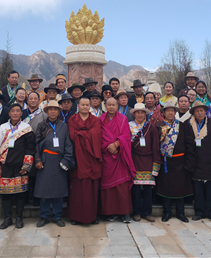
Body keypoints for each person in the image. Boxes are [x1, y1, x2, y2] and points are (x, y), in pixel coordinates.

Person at [0, 103, 36, 229]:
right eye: (13, 111)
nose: (16, 113)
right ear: (9, 113)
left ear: (21, 113)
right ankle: (7, 219)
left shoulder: (26, 128)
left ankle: (19, 218)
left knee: (20, 193)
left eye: (18, 111)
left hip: (20, 167)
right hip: (5, 165)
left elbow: (30, 148)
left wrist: (26, 165)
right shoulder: (3, 127)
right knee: (6, 194)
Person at [34, 101, 75, 228]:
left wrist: (66, 160)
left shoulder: (64, 125)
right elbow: (35, 144)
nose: (52, 111)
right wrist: (37, 159)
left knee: (58, 189)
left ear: (59, 111)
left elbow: (68, 145)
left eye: (55, 109)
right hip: (45, 160)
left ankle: (57, 216)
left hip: (59, 161)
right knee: (44, 190)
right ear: (46, 111)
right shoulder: (42, 125)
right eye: (50, 109)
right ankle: (44, 216)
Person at [155, 102, 196, 223]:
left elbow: (189, 144)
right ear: (163, 113)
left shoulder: (182, 126)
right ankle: (166, 212)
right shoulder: (159, 125)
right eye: (168, 111)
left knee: (180, 187)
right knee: (166, 187)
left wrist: (189, 161)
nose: (170, 113)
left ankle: (180, 212)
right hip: (165, 161)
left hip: (180, 161)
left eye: (172, 111)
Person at [99, 98, 136, 223]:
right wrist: (107, 146)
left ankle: (125, 213)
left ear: (117, 105)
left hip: (120, 156)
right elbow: (99, 136)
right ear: (105, 106)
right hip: (107, 157)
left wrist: (116, 144)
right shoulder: (100, 119)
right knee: (108, 188)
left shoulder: (123, 119)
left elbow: (126, 135)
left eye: (113, 105)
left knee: (122, 186)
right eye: (108, 105)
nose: (111, 107)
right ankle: (110, 212)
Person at [68, 96, 103, 225]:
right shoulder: (72, 119)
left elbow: (97, 134)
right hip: (78, 158)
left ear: (90, 106)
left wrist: (80, 133)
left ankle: (92, 216)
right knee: (77, 190)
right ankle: (76, 217)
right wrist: (86, 134)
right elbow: (72, 134)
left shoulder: (94, 120)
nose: (84, 107)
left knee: (92, 189)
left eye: (87, 105)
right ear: (78, 106)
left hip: (91, 158)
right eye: (82, 105)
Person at [185, 101, 211, 223]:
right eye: (197, 111)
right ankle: (199, 211)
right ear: (193, 113)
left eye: (202, 110)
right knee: (198, 189)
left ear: (205, 111)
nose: (199, 112)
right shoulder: (188, 124)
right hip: (195, 161)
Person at [128, 103, 161, 222]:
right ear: (134, 114)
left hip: (148, 160)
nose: (140, 114)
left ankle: (147, 212)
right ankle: (136, 212)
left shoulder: (150, 127)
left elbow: (155, 145)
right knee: (136, 188)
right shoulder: (129, 126)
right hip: (135, 159)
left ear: (145, 114)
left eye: (142, 112)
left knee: (148, 189)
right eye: (138, 112)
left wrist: (155, 163)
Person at [21, 91, 47, 207]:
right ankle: (24, 197)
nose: (32, 100)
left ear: (38, 101)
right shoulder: (21, 113)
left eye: (35, 98)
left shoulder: (43, 115)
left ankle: (36, 197)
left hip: (37, 146)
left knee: (36, 173)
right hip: (22, 146)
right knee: (24, 171)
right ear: (27, 100)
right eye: (30, 98)